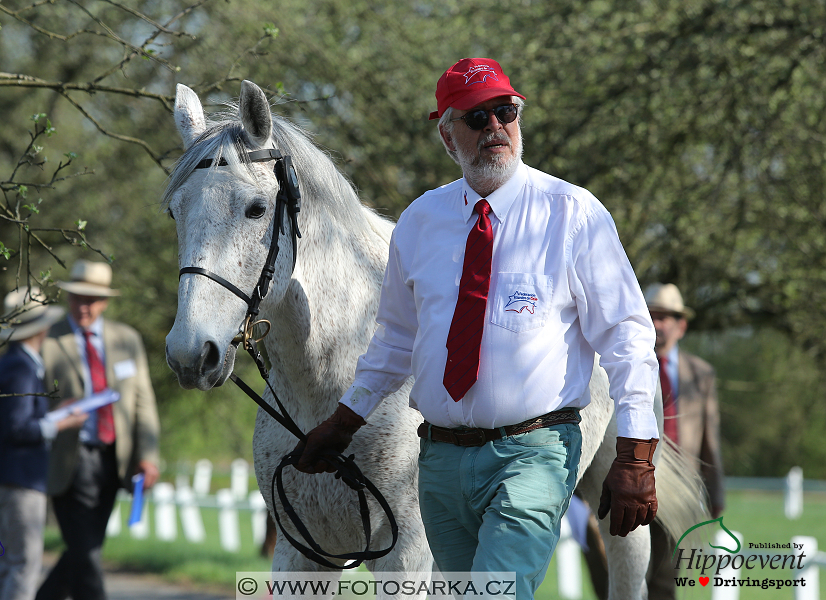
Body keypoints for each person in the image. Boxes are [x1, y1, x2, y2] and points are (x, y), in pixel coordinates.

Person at [294, 58, 660, 598]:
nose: (494, 126)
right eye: (475, 117)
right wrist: (344, 421)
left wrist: (635, 455)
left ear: (519, 117)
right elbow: (394, 340)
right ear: (447, 135)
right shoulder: (421, 221)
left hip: (534, 453)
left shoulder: (573, 213)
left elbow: (628, 338)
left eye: (504, 111)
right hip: (439, 462)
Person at [36, 260, 161, 600]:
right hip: (68, 460)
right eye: (78, 297)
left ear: (105, 302)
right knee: (87, 554)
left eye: (92, 299)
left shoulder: (127, 340)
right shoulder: (48, 340)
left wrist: (147, 456)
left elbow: (142, 404)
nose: (84, 306)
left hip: (114, 460)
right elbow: (31, 403)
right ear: (68, 297)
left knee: (85, 549)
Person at [0, 289, 87, 600]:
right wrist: (63, 422)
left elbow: (17, 418)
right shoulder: (22, 368)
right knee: (24, 563)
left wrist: (55, 414)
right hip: (19, 478)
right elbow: (19, 429)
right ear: (41, 329)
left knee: (7, 562)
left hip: (4, 475)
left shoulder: (10, 364)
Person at [645, 282, 725, 600]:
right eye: (652, 315)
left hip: (680, 493)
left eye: (666, 317)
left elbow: (710, 439)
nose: (658, 323)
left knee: (666, 581)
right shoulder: (625, 366)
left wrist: (715, 491)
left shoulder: (701, 374)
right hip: (630, 483)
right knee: (623, 577)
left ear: (682, 325)